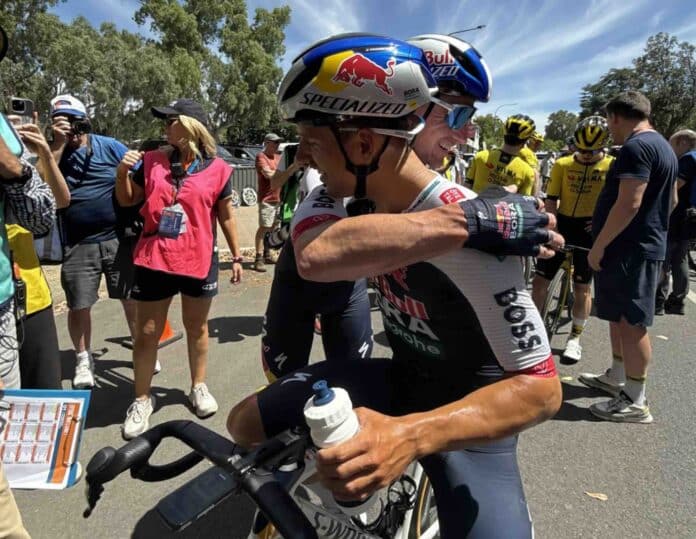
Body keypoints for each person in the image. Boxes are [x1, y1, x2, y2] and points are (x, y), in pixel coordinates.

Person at [227, 34, 563, 539]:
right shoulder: (347, 193)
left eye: (314, 143)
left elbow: (541, 392)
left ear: (362, 144)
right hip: (403, 376)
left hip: (471, 406)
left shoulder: (475, 238)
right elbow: (317, 255)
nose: (308, 158)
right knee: (244, 424)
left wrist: (409, 435)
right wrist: (464, 222)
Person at [115, 98, 244, 440]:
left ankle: (197, 386)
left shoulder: (219, 169)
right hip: (155, 256)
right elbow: (128, 199)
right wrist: (121, 173)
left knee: (197, 327)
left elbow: (226, 215)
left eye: (170, 120)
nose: (164, 127)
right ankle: (142, 398)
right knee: (146, 333)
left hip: (198, 258)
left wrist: (236, 255)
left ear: (189, 126)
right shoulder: (151, 160)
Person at [581, 91, 678, 423]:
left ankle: (635, 400)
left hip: (630, 249)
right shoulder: (663, 146)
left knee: (632, 323)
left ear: (616, 117)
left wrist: (600, 244)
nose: (610, 129)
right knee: (619, 317)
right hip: (635, 245)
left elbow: (630, 203)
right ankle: (617, 377)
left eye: (609, 122)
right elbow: (671, 201)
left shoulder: (637, 147)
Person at [49, 94, 137, 389]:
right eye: (63, 122)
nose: (72, 130)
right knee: (79, 305)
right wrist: (57, 147)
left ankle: (142, 348)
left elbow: (142, 175)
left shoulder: (108, 145)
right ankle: (83, 359)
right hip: (77, 243)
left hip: (116, 238)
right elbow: (36, 185)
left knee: (130, 298)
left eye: (75, 122)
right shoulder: (52, 154)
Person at [532, 116, 613, 362]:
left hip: (589, 229)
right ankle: (533, 328)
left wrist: (601, 222)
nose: (587, 155)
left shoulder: (611, 166)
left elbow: (617, 201)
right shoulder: (563, 164)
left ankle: (575, 338)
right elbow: (551, 199)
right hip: (563, 222)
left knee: (582, 287)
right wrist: (551, 226)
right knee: (539, 282)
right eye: (582, 150)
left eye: (593, 151)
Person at [7, 118, 71, 389]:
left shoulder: (20, 169)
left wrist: (44, 151)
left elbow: (61, 199)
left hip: (31, 297)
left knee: (45, 393)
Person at [655, 129, 696, 315]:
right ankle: (677, 301)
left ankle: (658, 300)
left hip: (677, 215)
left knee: (664, 258)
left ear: (682, 142)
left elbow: (675, 186)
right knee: (680, 259)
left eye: (672, 144)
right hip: (690, 217)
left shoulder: (688, 160)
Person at [466, 114, 537, 195]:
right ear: (526, 141)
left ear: (504, 134)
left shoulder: (480, 156)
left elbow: (466, 187)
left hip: (473, 206)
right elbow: (524, 205)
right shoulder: (527, 172)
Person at [253, 133, 283, 272]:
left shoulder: (278, 157)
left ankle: (267, 254)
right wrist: (283, 174)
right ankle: (258, 258)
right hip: (267, 199)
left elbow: (279, 174)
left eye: (278, 142)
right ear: (266, 143)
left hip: (279, 199)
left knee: (273, 228)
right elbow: (269, 175)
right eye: (274, 142)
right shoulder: (261, 157)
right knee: (264, 227)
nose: (277, 145)